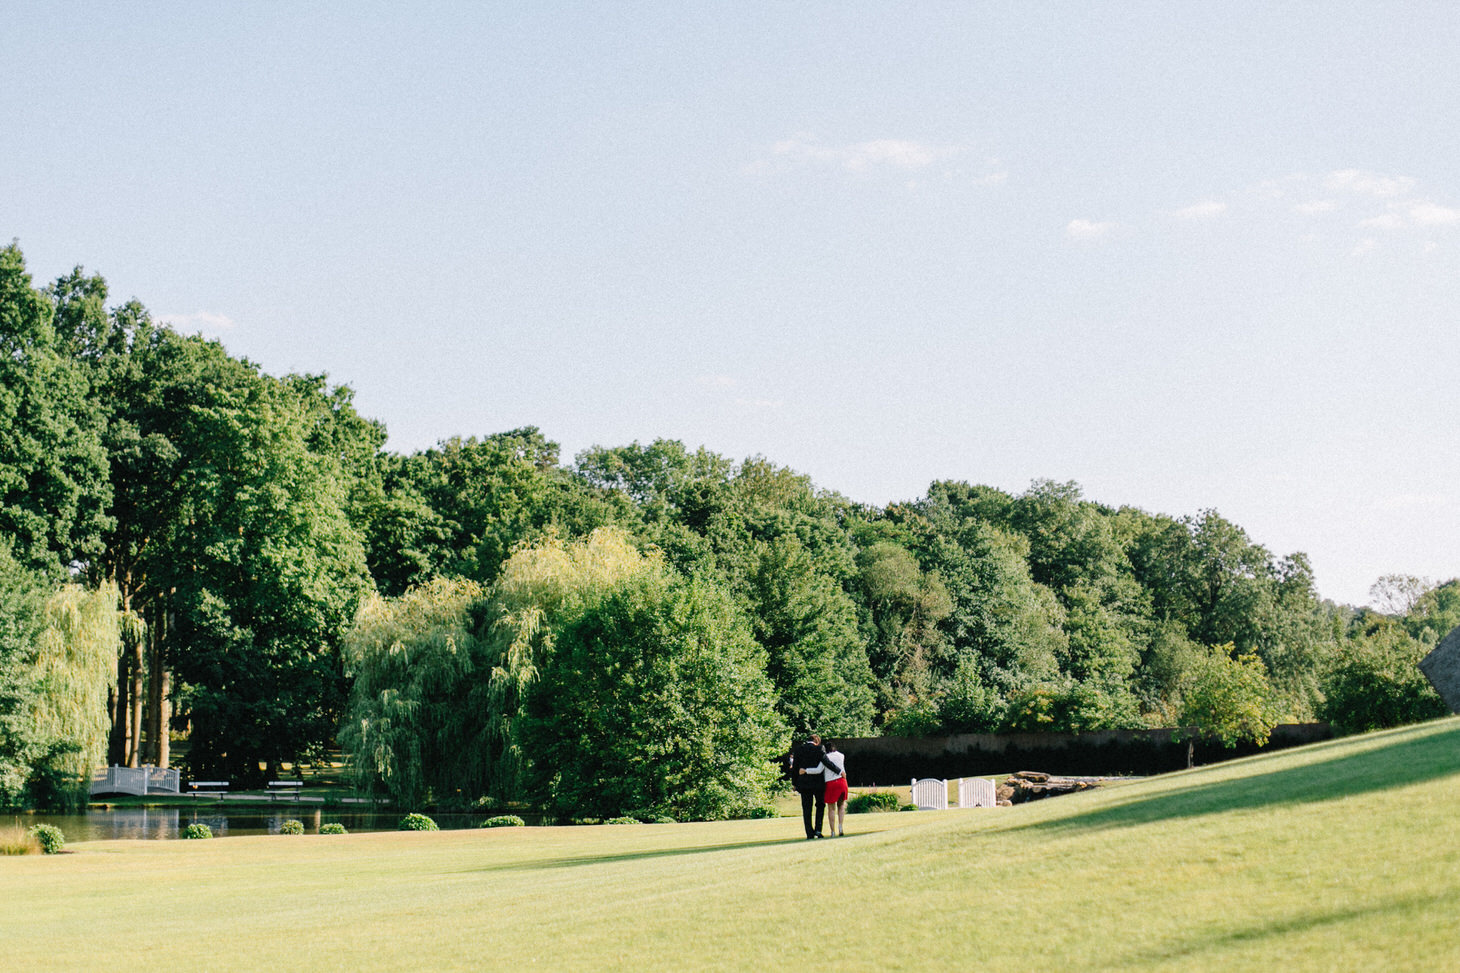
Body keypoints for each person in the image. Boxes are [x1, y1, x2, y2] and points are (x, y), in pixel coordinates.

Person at [790, 733, 835, 839]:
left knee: (807, 808)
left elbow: (795, 768)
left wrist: (794, 783)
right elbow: (826, 762)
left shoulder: (799, 750)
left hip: (804, 783)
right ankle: (818, 830)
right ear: (817, 741)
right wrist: (838, 771)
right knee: (820, 806)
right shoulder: (820, 749)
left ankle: (809, 833)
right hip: (818, 783)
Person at [822, 743, 848, 837]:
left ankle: (832, 831)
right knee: (841, 805)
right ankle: (840, 826)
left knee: (831, 808)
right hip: (842, 781)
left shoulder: (825, 757)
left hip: (830, 782)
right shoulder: (841, 755)